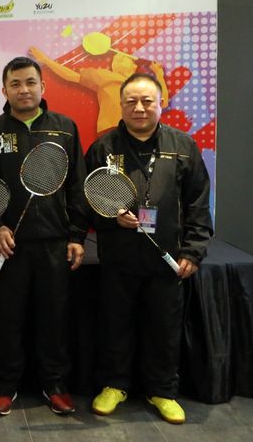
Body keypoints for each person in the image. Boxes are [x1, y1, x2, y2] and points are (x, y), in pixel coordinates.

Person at [85, 73, 212, 424]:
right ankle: (114, 385)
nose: (139, 108)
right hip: (118, 257)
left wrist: (193, 250)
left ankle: (162, 391)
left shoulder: (183, 145)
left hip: (167, 259)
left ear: (161, 103)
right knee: (115, 324)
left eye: (147, 101)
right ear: (121, 105)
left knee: (164, 327)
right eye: (131, 102)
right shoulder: (103, 148)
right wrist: (113, 220)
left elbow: (199, 203)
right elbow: (89, 201)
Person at [0, 57, 88, 416]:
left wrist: (76, 235)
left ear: (43, 86)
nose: (23, 90)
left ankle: (54, 384)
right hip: (9, 249)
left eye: (30, 82)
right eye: (15, 84)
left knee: (53, 319)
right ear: (4, 89)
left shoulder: (65, 128)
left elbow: (76, 188)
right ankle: (4, 386)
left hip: (55, 243)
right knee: (6, 319)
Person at [29, 46, 169, 135]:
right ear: (113, 65)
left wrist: (159, 74)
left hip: (135, 131)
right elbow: (71, 75)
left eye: (126, 59)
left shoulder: (140, 85)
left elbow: (163, 102)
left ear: (133, 67)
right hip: (109, 131)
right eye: (118, 58)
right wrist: (46, 60)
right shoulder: (104, 77)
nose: (120, 60)